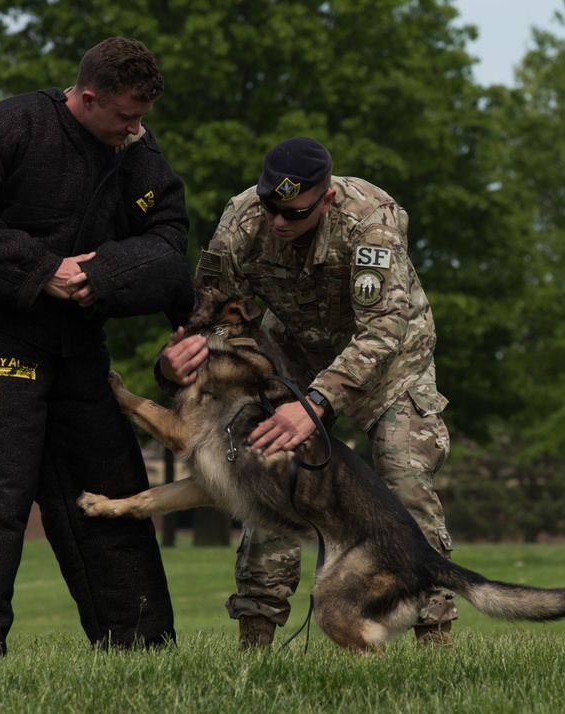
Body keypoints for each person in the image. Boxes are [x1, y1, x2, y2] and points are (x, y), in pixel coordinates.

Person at [0, 37, 194, 656]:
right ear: (88, 96)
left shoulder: (136, 153)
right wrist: (45, 269)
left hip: (75, 346)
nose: (136, 129)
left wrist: (99, 277)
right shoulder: (9, 126)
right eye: (125, 116)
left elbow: (168, 242)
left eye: (143, 116)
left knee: (110, 484)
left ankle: (141, 648)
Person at [159, 138, 457, 649]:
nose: (278, 221)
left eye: (293, 212)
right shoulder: (242, 221)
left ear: (326, 199)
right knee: (268, 473)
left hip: (388, 365)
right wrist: (176, 365)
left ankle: (434, 638)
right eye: (271, 205)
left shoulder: (370, 220)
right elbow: (212, 310)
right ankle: (255, 642)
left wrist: (316, 405)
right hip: (291, 358)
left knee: (402, 480)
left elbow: (383, 327)